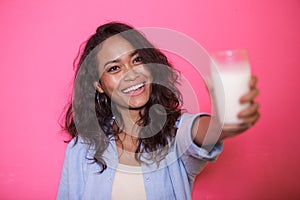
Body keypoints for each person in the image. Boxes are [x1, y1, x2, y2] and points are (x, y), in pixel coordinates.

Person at [57, 22, 260, 200]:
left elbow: (203, 131)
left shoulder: (174, 135)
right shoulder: (81, 149)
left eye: (136, 60)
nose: (132, 73)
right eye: (114, 68)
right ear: (99, 85)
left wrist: (223, 122)